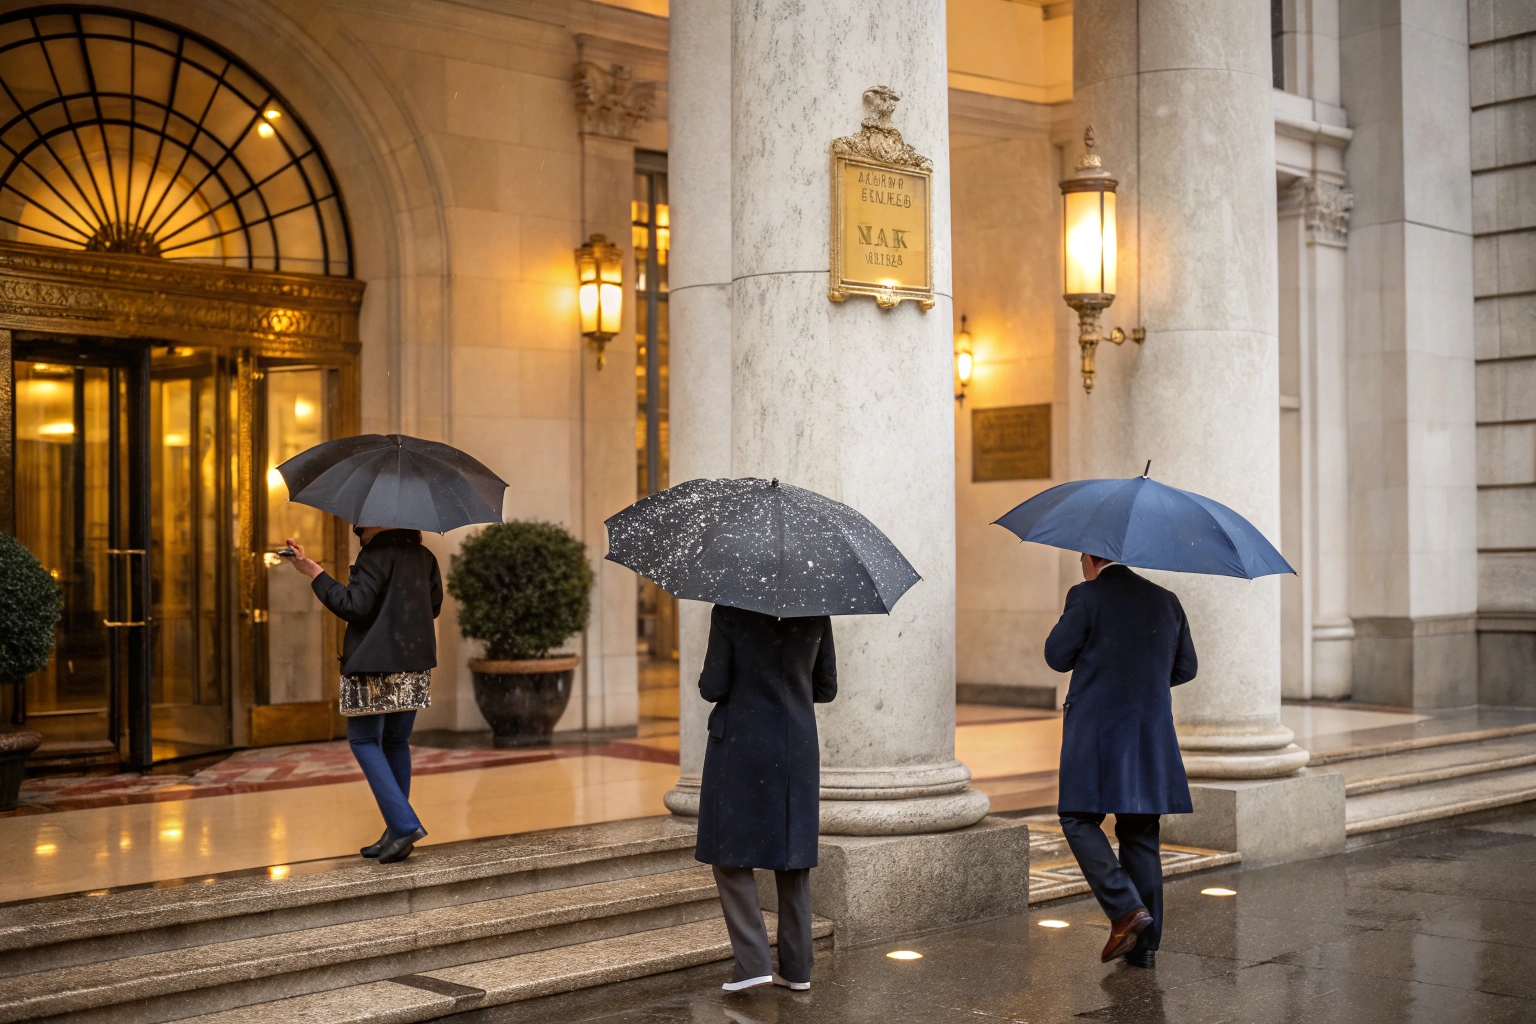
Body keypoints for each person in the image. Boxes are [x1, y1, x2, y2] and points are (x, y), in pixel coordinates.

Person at [1044, 552, 1197, 969]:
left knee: (1077, 817)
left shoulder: (1086, 595)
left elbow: (1056, 656)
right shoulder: (1167, 600)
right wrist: (1142, 679)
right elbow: (1186, 667)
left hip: (1096, 732)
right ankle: (1145, 948)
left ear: (1090, 557)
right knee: (1140, 832)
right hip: (1149, 732)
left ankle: (1126, 909)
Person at [695, 603, 836, 993]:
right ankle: (796, 970)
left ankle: (753, 962)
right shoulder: (816, 613)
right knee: (792, 858)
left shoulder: (729, 610)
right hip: (795, 744)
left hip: (740, 744)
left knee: (727, 854)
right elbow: (827, 689)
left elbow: (713, 686)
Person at [284, 526, 442, 864]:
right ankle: (395, 832)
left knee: (364, 740)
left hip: (373, 666)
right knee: (396, 742)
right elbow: (434, 606)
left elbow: (354, 606)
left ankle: (403, 824)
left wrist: (314, 572)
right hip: (414, 665)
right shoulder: (424, 556)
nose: (358, 526)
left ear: (382, 521)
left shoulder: (374, 555)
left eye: (363, 522)